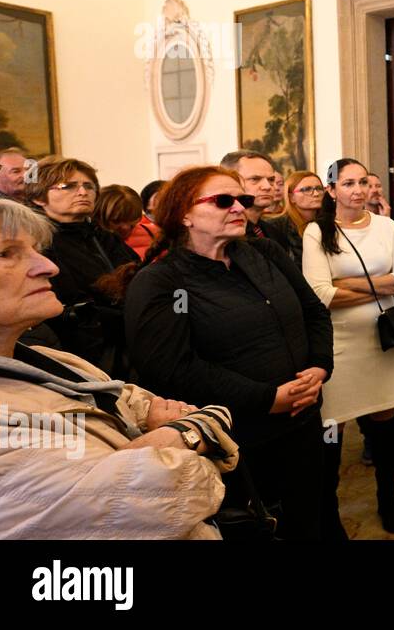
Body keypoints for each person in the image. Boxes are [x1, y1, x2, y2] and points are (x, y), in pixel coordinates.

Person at [0, 198, 232, 539]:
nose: (48, 266)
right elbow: (164, 497)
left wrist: (162, 441)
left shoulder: (53, 359)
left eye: (36, 249)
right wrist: (191, 434)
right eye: (6, 254)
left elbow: (134, 400)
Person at [115, 165, 334, 541]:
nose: (238, 207)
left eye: (242, 200)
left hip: (304, 418)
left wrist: (319, 367)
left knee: (314, 513)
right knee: (261, 527)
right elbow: (171, 368)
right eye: (222, 200)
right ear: (184, 214)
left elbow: (313, 310)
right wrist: (268, 398)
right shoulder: (164, 281)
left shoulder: (263, 251)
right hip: (236, 440)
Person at [303, 159, 394, 536]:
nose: (357, 189)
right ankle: (328, 504)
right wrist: (378, 284)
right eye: (347, 183)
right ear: (331, 191)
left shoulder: (387, 226)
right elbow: (319, 294)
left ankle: (387, 494)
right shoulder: (317, 232)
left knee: (385, 416)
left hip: (382, 342)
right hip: (339, 345)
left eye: (362, 182)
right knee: (333, 422)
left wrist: (348, 285)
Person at [27, 156, 138, 377]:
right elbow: (68, 305)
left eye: (89, 186)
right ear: (40, 197)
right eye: (68, 186)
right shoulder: (36, 241)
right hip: (79, 351)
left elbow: (139, 279)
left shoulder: (105, 237)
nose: (82, 192)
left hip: (129, 339)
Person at [219, 150, 291, 252]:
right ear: (230, 181)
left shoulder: (274, 233)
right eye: (255, 179)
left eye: (271, 179)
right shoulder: (223, 235)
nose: (268, 187)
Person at [267, 170, 324, 267]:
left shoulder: (329, 222)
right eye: (307, 189)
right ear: (291, 197)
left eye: (319, 188)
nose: (316, 194)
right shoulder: (276, 226)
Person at [93, 184, 157, 260]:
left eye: (132, 222)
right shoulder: (91, 243)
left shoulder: (153, 233)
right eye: (116, 221)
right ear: (98, 217)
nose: (125, 228)